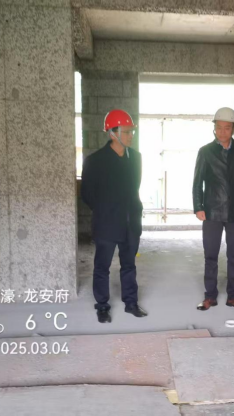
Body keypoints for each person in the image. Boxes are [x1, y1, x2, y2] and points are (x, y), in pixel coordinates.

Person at [81, 109, 147, 324]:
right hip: (107, 223)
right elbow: (87, 194)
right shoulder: (95, 160)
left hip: (130, 222)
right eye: (126, 131)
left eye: (131, 131)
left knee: (129, 265)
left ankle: (131, 302)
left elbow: (134, 187)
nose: (130, 135)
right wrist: (106, 209)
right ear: (112, 133)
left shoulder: (135, 158)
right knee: (102, 267)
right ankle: (102, 305)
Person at [192, 107, 234, 311]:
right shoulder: (205, 152)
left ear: (233, 129)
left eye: (227, 128)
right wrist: (198, 206)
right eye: (219, 127)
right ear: (214, 128)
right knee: (210, 255)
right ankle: (210, 296)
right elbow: (197, 182)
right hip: (212, 211)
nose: (222, 132)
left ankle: (233, 296)